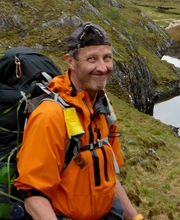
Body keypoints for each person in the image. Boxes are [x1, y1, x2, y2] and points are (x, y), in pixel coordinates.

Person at [15, 22, 144, 220]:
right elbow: (33, 194)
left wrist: (135, 218)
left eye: (107, 58)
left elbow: (108, 177)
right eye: (91, 59)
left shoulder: (103, 107)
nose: (102, 68)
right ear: (71, 61)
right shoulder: (50, 115)